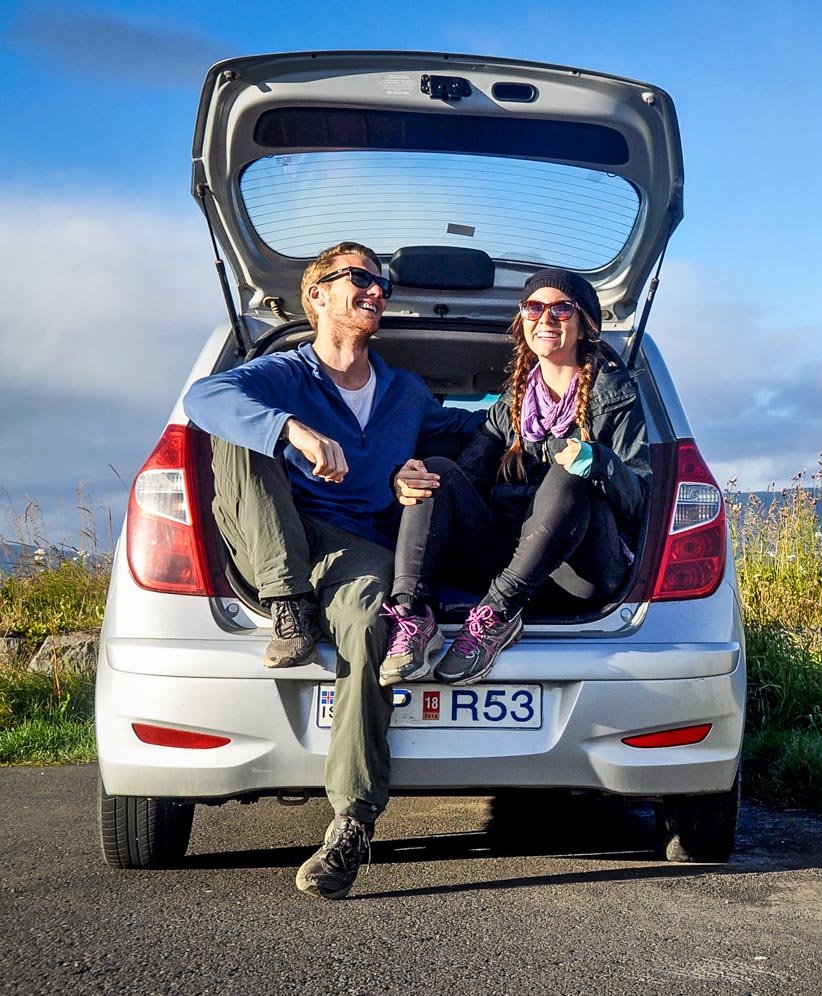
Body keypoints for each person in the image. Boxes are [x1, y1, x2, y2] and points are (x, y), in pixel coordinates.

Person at [182, 241, 483, 900]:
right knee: (242, 435)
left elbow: (468, 430)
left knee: (374, 625)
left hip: (358, 546)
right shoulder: (281, 374)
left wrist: (429, 466)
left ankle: (351, 822)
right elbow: (205, 397)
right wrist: (290, 428)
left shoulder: (404, 392)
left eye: (383, 283)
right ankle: (287, 607)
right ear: (316, 295)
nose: (378, 290)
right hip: (275, 531)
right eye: (361, 279)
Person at [378, 267, 650, 686]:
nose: (546, 318)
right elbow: (463, 480)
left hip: (578, 570)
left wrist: (599, 462)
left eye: (561, 308)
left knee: (566, 477)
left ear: (583, 325)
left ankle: (496, 620)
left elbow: (638, 502)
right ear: (523, 321)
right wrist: (407, 478)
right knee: (435, 471)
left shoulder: (614, 397)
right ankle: (413, 619)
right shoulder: (510, 406)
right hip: (508, 559)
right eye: (534, 307)